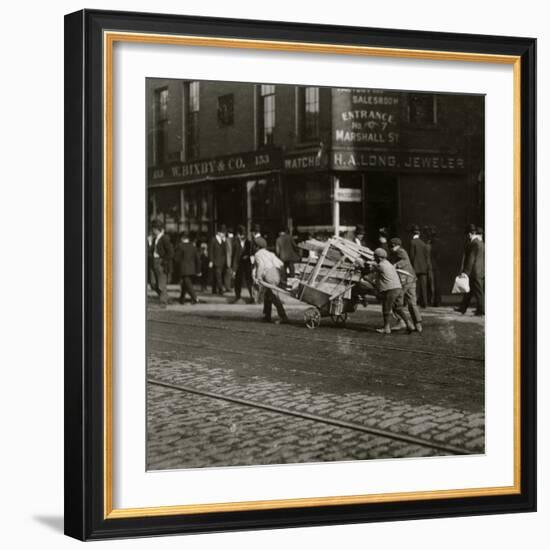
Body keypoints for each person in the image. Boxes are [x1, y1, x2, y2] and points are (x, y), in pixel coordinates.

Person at [370, 248, 415, 335]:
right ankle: (410, 325)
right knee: (398, 308)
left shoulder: (381, 266)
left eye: (375, 257)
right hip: (398, 288)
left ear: (379, 258)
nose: (374, 258)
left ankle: (386, 328)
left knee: (386, 309)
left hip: (390, 290)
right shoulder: (388, 264)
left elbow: (372, 270)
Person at [389, 237, 423, 333]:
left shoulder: (400, 251)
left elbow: (404, 260)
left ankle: (403, 322)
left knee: (396, 302)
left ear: (396, 246)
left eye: (392, 246)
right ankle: (418, 323)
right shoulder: (398, 252)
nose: (391, 248)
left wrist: (394, 265)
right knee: (412, 302)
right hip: (411, 280)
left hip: (405, 281)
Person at [253, 237, 289, 324]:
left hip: (269, 276)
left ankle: (283, 317)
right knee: (268, 295)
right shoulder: (270, 253)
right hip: (275, 274)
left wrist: (258, 277)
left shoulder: (258, 254)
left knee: (274, 297)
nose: (253, 247)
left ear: (257, 246)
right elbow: (280, 263)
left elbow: (261, 265)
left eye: (254, 246)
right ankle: (267, 315)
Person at [456, 225, 485, 316]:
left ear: (470, 234)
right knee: (469, 291)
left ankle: (481, 310)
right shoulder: (481, 243)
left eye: (467, 234)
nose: (467, 236)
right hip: (480, 271)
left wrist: (465, 272)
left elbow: (471, 259)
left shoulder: (474, 243)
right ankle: (462, 308)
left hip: (475, 272)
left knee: (478, 292)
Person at [150, 220, 173, 307]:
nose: (152, 231)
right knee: (153, 283)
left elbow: (170, 252)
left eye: (153, 229)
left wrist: (164, 261)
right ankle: (165, 297)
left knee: (161, 284)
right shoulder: (155, 238)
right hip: (154, 261)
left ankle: (163, 302)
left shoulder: (165, 238)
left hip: (161, 262)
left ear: (157, 229)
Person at [174, 231, 201, 304]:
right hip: (192, 268)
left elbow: (176, 258)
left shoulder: (180, 246)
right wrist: (198, 270)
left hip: (183, 268)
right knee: (185, 284)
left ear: (182, 238)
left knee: (187, 283)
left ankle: (194, 297)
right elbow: (197, 259)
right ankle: (182, 299)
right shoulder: (193, 246)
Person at [409, 224, 430, 308]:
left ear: (412, 233)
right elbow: (426, 257)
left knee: (414, 286)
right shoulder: (423, 243)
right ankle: (424, 303)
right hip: (423, 268)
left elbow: (411, 256)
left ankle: (415, 302)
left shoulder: (412, 242)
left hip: (415, 267)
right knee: (423, 286)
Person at [232, 225, 253, 303]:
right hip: (238, 265)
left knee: (249, 281)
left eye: (244, 235)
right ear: (238, 235)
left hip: (247, 265)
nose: (243, 237)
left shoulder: (249, 243)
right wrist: (233, 269)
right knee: (238, 281)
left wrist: (247, 256)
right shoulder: (235, 243)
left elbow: (251, 253)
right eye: (241, 235)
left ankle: (252, 296)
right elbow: (234, 256)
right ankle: (238, 296)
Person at [209, 225, 228, 295]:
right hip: (215, 260)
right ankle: (220, 289)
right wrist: (211, 260)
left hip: (222, 261)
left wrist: (225, 242)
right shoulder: (213, 240)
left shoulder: (223, 241)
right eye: (223, 233)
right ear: (219, 233)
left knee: (216, 276)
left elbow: (225, 250)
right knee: (218, 275)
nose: (224, 234)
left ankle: (214, 289)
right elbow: (210, 251)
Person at [224, 227, 234, 292]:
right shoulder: (230, 240)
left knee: (229, 274)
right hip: (231, 260)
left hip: (230, 259)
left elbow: (228, 251)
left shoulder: (228, 240)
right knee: (230, 274)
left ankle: (229, 287)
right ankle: (229, 287)